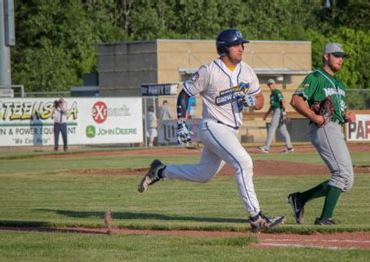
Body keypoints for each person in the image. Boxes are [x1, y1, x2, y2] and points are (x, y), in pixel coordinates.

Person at [137, 28, 285, 233]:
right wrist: (182, 122)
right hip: (212, 125)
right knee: (244, 163)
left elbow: (259, 100)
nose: (242, 48)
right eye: (237, 44)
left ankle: (161, 171)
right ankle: (256, 217)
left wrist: (254, 101)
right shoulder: (210, 71)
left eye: (242, 44)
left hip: (230, 130)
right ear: (225, 48)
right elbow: (184, 94)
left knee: (204, 174)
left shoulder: (247, 70)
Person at [288, 43, 356, 225]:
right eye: (337, 55)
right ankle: (325, 218)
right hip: (323, 128)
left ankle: (300, 199)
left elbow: (338, 112)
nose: (341, 59)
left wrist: (346, 116)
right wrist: (314, 117)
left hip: (335, 127)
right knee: (341, 174)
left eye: (342, 56)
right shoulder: (316, 77)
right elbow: (295, 100)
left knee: (347, 181)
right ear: (326, 56)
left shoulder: (340, 84)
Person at [258, 79, 294, 153]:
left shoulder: (277, 92)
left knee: (272, 128)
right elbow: (271, 107)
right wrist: (266, 115)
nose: (270, 85)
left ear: (274, 84)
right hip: (276, 110)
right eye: (269, 84)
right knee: (283, 129)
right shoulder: (272, 94)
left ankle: (266, 147)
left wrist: (284, 111)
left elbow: (283, 101)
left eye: (271, 84)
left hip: (279, 111)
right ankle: (289, 147)